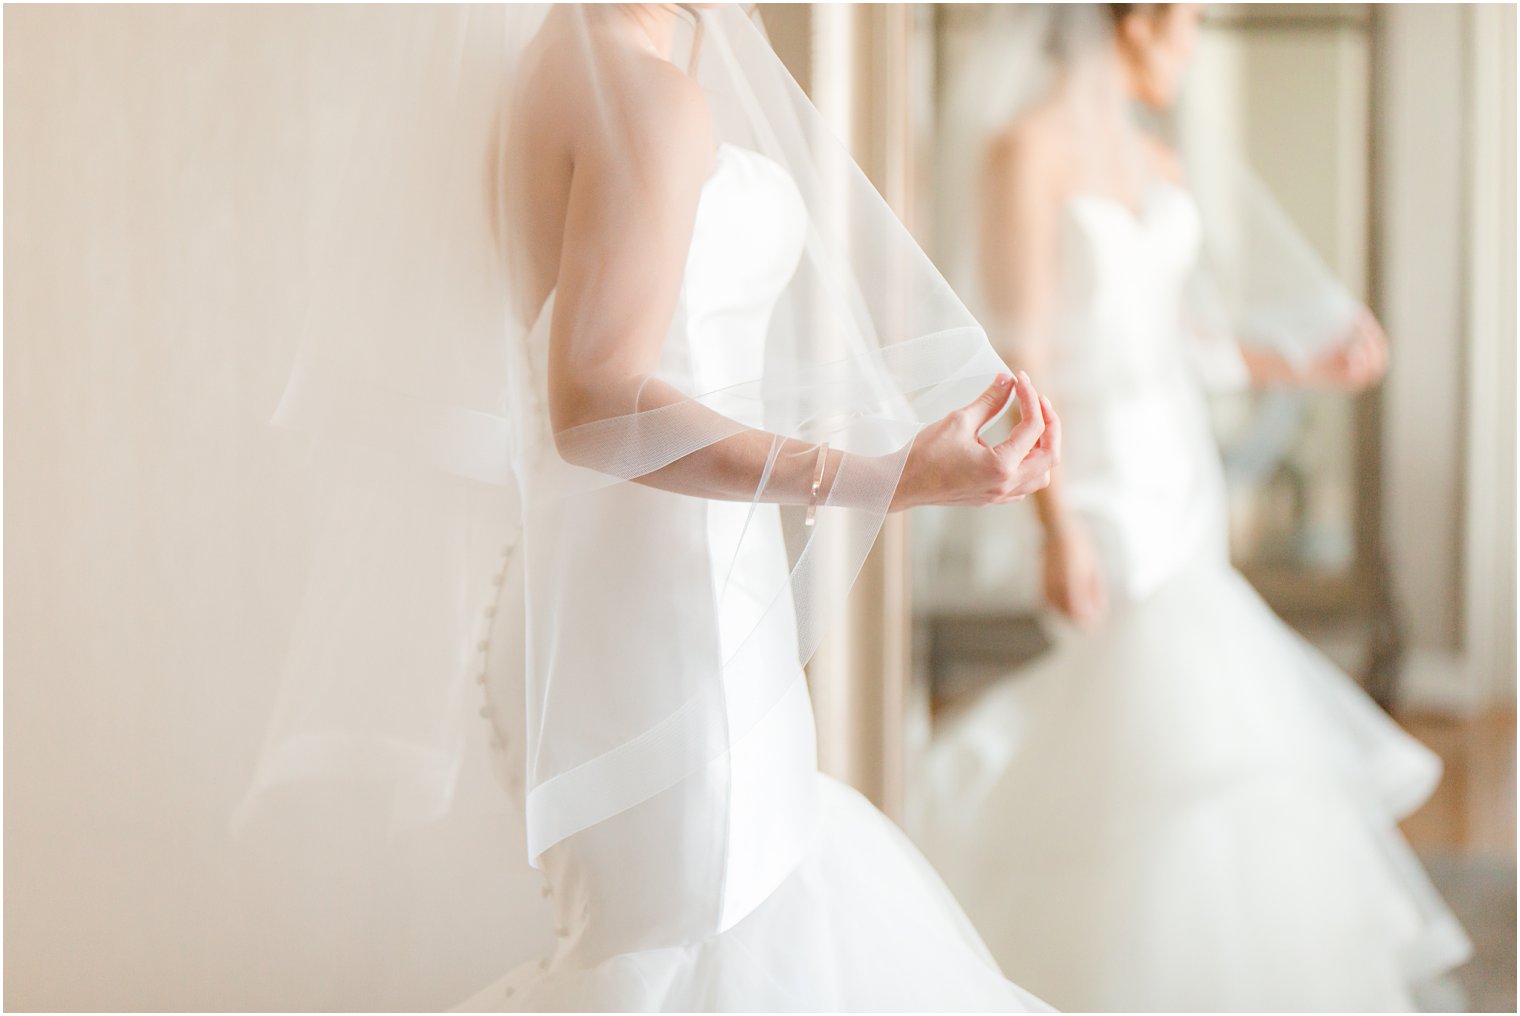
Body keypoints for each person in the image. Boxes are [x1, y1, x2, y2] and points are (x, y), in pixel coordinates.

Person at [242, 6, 1058, 1011]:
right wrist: (880, 473)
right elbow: (592, 399)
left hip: (620, 601)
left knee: (695, 940)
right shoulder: (647, 97)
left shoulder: (559, 62)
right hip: (671, 626)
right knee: (700, 940)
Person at [911, 4, 1471, 1011]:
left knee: (1170, 698)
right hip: (1097, 480)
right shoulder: (1023, 152)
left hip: (1174, 466)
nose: (1193, 47)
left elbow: (1179, 334)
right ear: (1131, 23)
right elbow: (1018, 357)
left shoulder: (1152, 160)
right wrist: (1057, 522)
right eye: (1185, 25)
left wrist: (1300, 362)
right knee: (1169, 693)